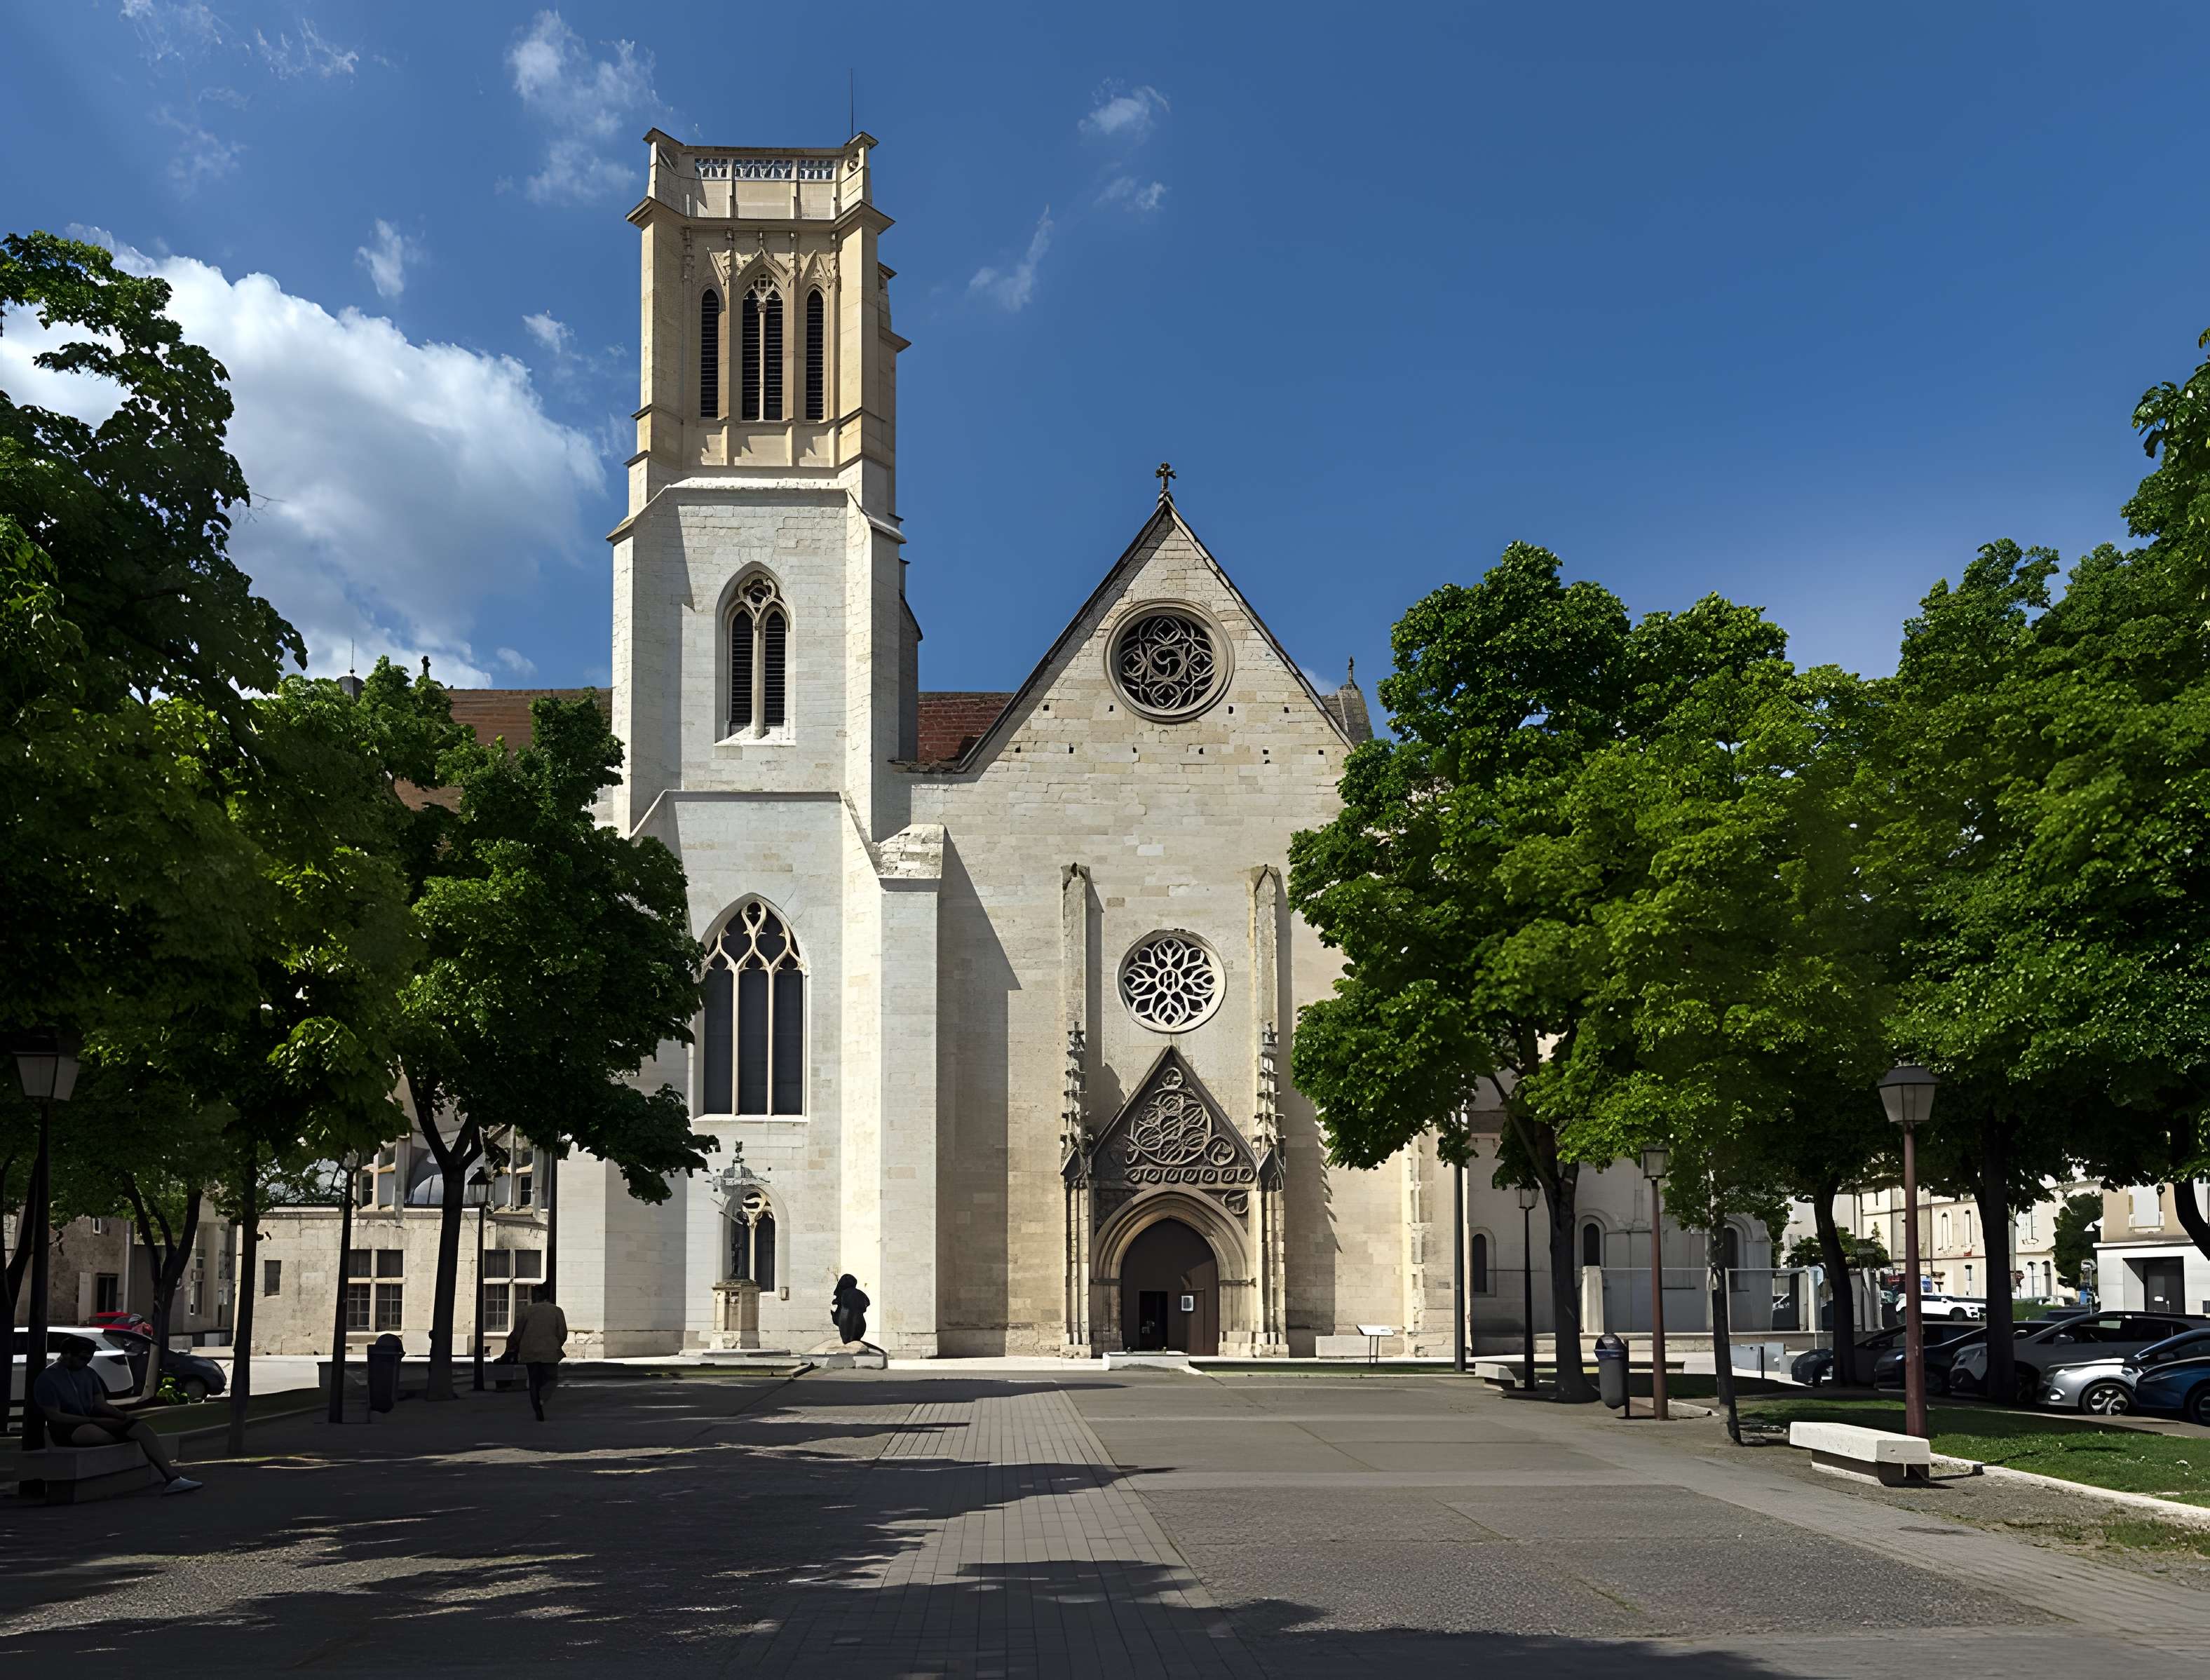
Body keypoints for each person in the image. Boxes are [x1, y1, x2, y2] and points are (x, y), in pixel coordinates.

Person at [32, 1335, 202, 1495]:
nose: (86, 1362)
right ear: (67, 1354)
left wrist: (123, 1417)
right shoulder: (48, 1378)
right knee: (96, 1433)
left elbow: (100, 1404)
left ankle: (172, 1478)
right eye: (83, 1358)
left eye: (90, 1358)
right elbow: (55, 1416)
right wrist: (92, 1420)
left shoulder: (89, 1374)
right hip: (66, 1428)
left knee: (141, 1429)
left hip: (92, 1421)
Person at [506, 1285, 568, 1421]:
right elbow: (562, 1333)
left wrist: (512, 1348)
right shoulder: (557, 1311)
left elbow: (517, 1333)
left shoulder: (525, 1312)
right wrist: (557, 1344)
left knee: (533, 1380)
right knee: (551, 1379)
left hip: (529, 1351)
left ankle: (536, 1406)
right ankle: (542, 1398)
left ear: (533, 1297)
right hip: (549, 1351)